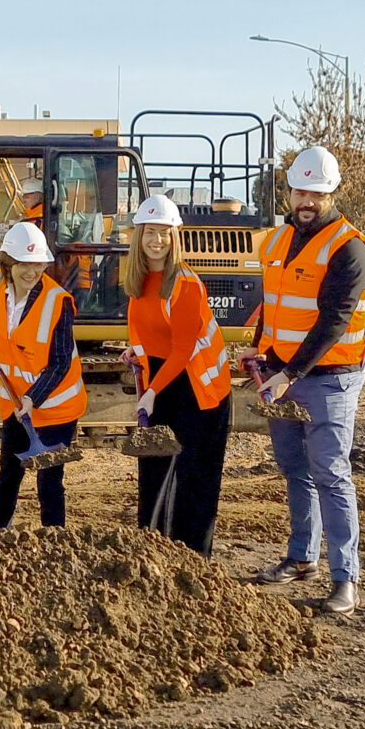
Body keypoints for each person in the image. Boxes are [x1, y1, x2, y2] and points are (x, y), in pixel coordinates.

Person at [241, 146, 365, 615]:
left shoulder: (350, 248)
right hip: (283, 375)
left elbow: (333, 321)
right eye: (300, 190)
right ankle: (302, 558)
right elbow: (275, 305)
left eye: (315, 193)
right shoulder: (278, 240)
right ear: (290, 189)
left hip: (328, 379)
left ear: (331, 192)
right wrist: (259, 349)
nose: (306, 200)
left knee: (332, 473)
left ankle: (346, 579)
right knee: (294, 468)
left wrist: (288, 374)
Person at [121, 195, 231, 557]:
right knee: (153, 471)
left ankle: (195, 561)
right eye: (150, 232)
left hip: (200, 392)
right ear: (139, 236)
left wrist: (151, 392)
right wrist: (136, 353)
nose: (157, 241)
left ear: (175, 238)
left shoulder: (185, 283)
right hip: (164, 382)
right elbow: (149, 332)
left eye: (165, 234)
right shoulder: (139, 279)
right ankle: (153, 552)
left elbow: (183, 350)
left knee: (194, 481)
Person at [0, 221, 86, 531]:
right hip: (15, 402)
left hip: (56, 406)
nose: (32, 271)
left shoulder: (58, 302)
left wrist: (32, 397)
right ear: (8, 263)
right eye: (24, 264)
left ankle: (55, 545)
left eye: (38, 263)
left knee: (50, 480)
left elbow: (59, 363)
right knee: (9, 474)